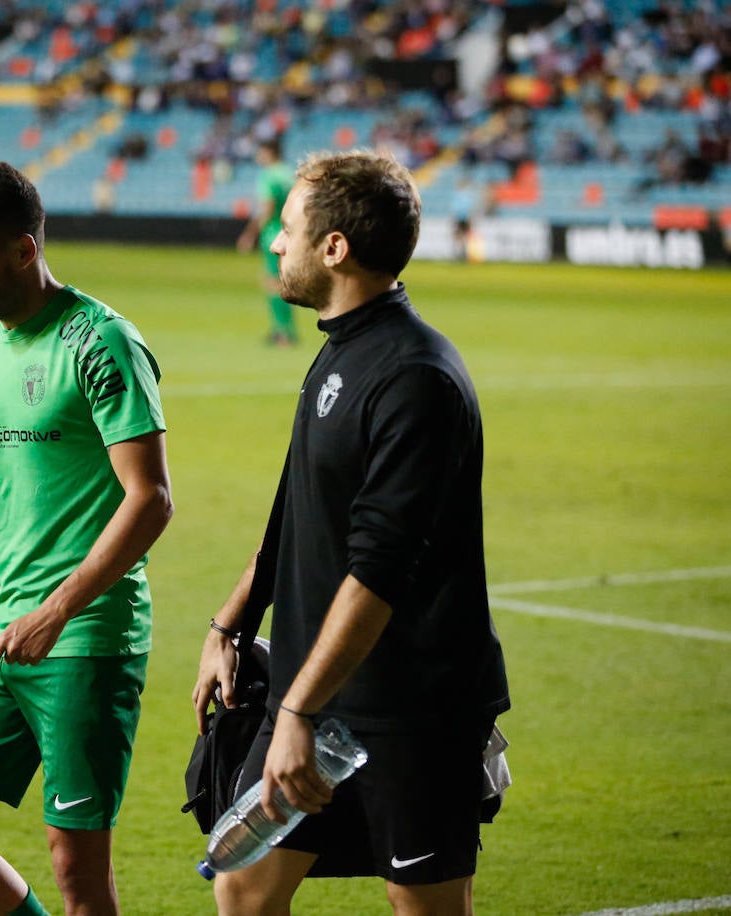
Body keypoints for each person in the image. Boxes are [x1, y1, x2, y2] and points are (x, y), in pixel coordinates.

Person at [193, 150, 510, 916]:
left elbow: (380, 569)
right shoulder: (341, 352)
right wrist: (231, 622)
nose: (274, 242)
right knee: (242, 884)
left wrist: (299, 712)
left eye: (288, 228)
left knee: (426, 906)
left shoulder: (414, 377)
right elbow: (297, 510)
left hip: (409, 709)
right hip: (315, 692)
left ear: (334, 248)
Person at [0, 160, 174, 916]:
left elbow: (149, 501)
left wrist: (56, 611)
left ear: (23, 250)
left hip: (83, 641)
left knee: (78, 874)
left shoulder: (100, 343)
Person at [236, 137, 298, 347]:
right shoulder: (289, 174)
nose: (258, 156)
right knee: (284, 282)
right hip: (291, 233)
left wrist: (250, 234)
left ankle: (282, 332)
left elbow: (267, 207)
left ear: (269, 152)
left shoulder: (269, 176)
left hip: (273, 234)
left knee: (273, 283)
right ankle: (287, 329)